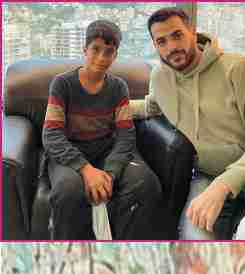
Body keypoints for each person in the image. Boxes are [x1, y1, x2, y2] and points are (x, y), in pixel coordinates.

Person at [130, 8, 245, 240]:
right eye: (162, 41)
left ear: (192, 32)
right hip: (208, 175)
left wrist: (225, 184)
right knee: (195, 239)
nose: (171, 47)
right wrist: (97, 110)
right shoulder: (160, 78)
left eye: (177, 35)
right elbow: (151, 107)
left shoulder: (238, 68)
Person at [43, 20, 163, 240]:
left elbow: (126, 135)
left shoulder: (118, 87)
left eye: (108, 52)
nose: (101, 58)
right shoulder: (62, 84)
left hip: (107, 149)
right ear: (84, 50)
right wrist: (86, 170)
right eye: (95, 50)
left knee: (146, 184)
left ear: (115, 55)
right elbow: (52, 135)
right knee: (68, 192)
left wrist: (110, 173)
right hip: (70, 153)